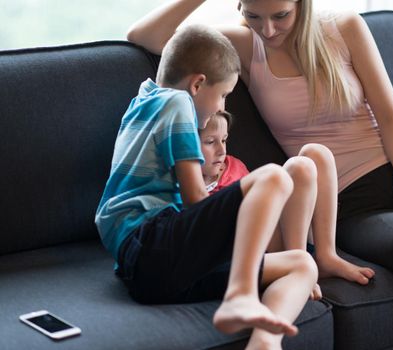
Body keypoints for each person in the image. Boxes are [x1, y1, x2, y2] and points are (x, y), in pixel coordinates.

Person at [127, 0, 393, 277]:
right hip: (342, 202)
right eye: (254, 15)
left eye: (281, 15)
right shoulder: (246, 46)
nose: (268, 30)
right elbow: (147, 36)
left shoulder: (345, 27)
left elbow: (390, 115)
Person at [96, 24, 320, 349]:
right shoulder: (177, 103)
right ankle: (240, 295)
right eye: (224, 95)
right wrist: (238, 217)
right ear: (198, 84)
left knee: (302, 264)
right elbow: (195, 201)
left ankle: (265, 342)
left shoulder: (141, 101)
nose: (221, 107)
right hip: (150, 245)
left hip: (155, 273)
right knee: (274, 177)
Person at [199, 111, 375, 290]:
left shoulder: (234, 166)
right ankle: (297, 268)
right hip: (264, 251)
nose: (222, 150)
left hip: (292, 233)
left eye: (224, 140)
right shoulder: (185, 187)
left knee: (314, 154)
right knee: (296, 168)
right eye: (210, 142)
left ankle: (326, 256)